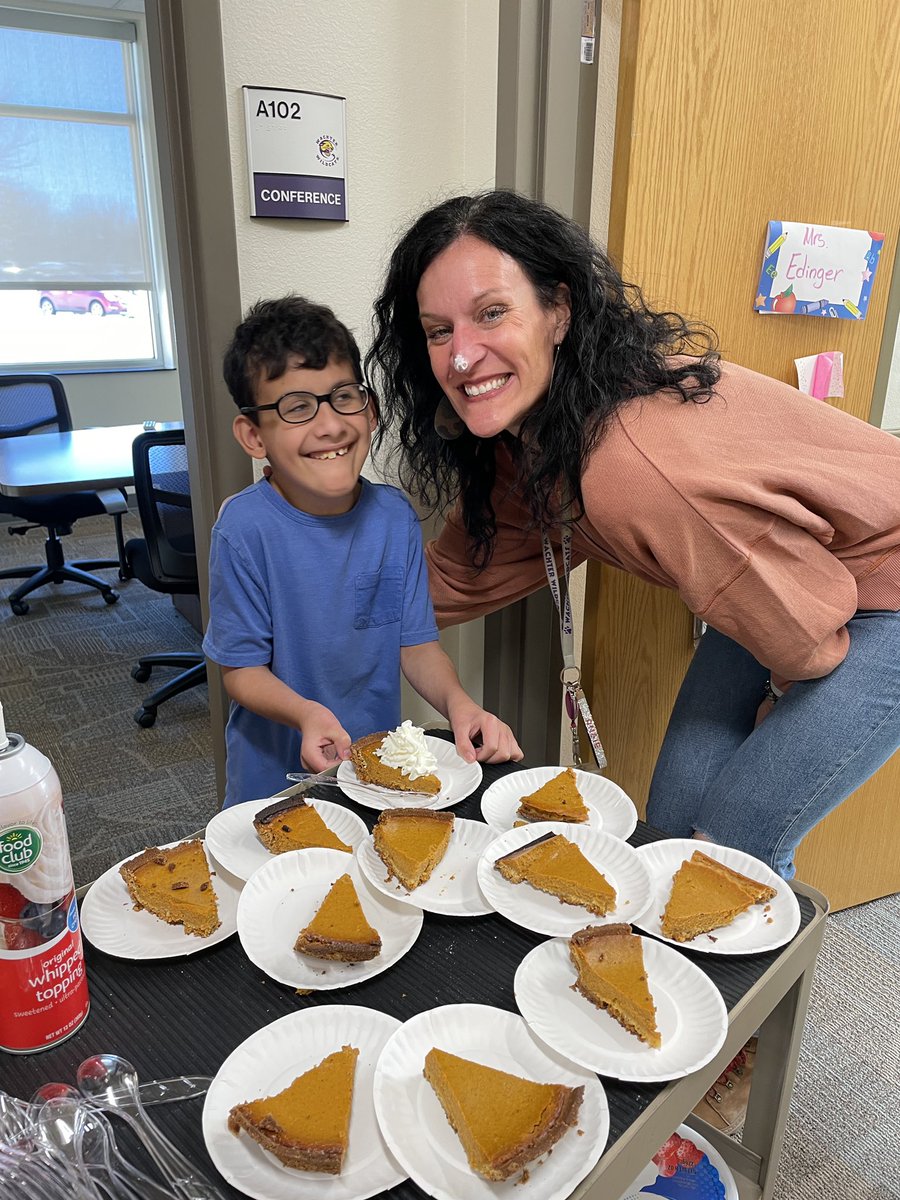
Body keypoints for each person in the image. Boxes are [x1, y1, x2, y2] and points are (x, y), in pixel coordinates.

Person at [366, 189, 900, 881]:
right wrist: (319, 586)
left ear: (558, 312)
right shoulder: (531, 437)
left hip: (873, 586)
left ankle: (734, 987)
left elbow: (809, 637)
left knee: (728, 846)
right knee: (670, 831)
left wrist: (780, 700)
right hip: (787, 577)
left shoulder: (625, 467)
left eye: (492, 313)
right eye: (439, 331)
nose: (462, 356)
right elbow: (457, 579)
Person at [203, 295, 521, 808]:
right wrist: (306, 714)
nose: (330, 425)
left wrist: (460, 705)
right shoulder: (243, 530)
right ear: (253, 435)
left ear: (368, 410)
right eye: (296, 407)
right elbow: (240, 670)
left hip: (375, 772)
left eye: (343, 397)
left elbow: (415, 646)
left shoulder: (394, 518)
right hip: (274, 783)